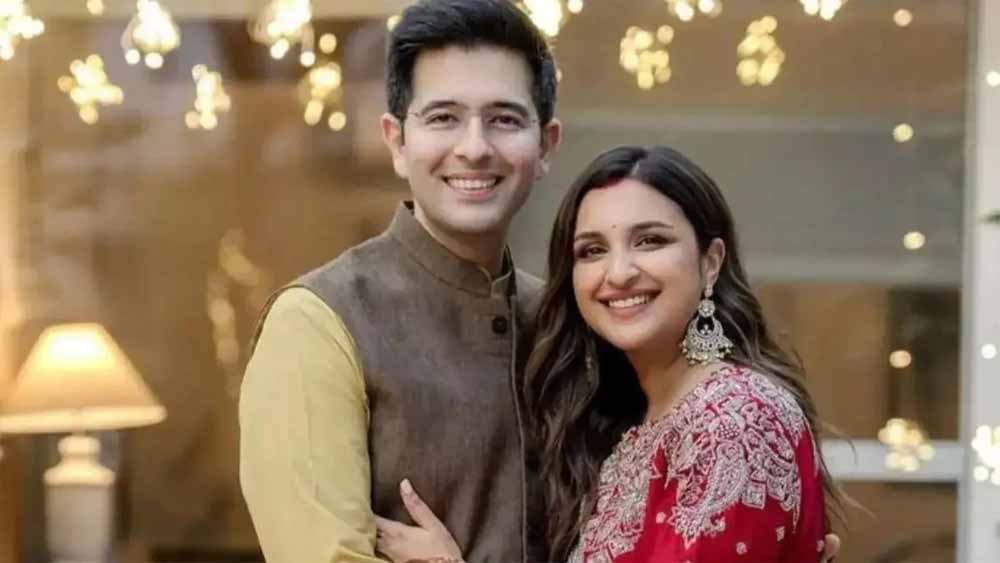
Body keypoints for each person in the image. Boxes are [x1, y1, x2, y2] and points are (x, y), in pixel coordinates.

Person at [374, 146, 842, 563]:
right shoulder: (636, 427)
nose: (618, 273)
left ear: (710, 262)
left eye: (650, 241)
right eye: (592, 250)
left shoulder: (735, 417)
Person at [238, 1, 561, 562]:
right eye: (443, 118)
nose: (474, 147)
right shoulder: (318, 321)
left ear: (547, 145)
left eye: (505, 119)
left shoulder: (561, 322)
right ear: (396, 142)